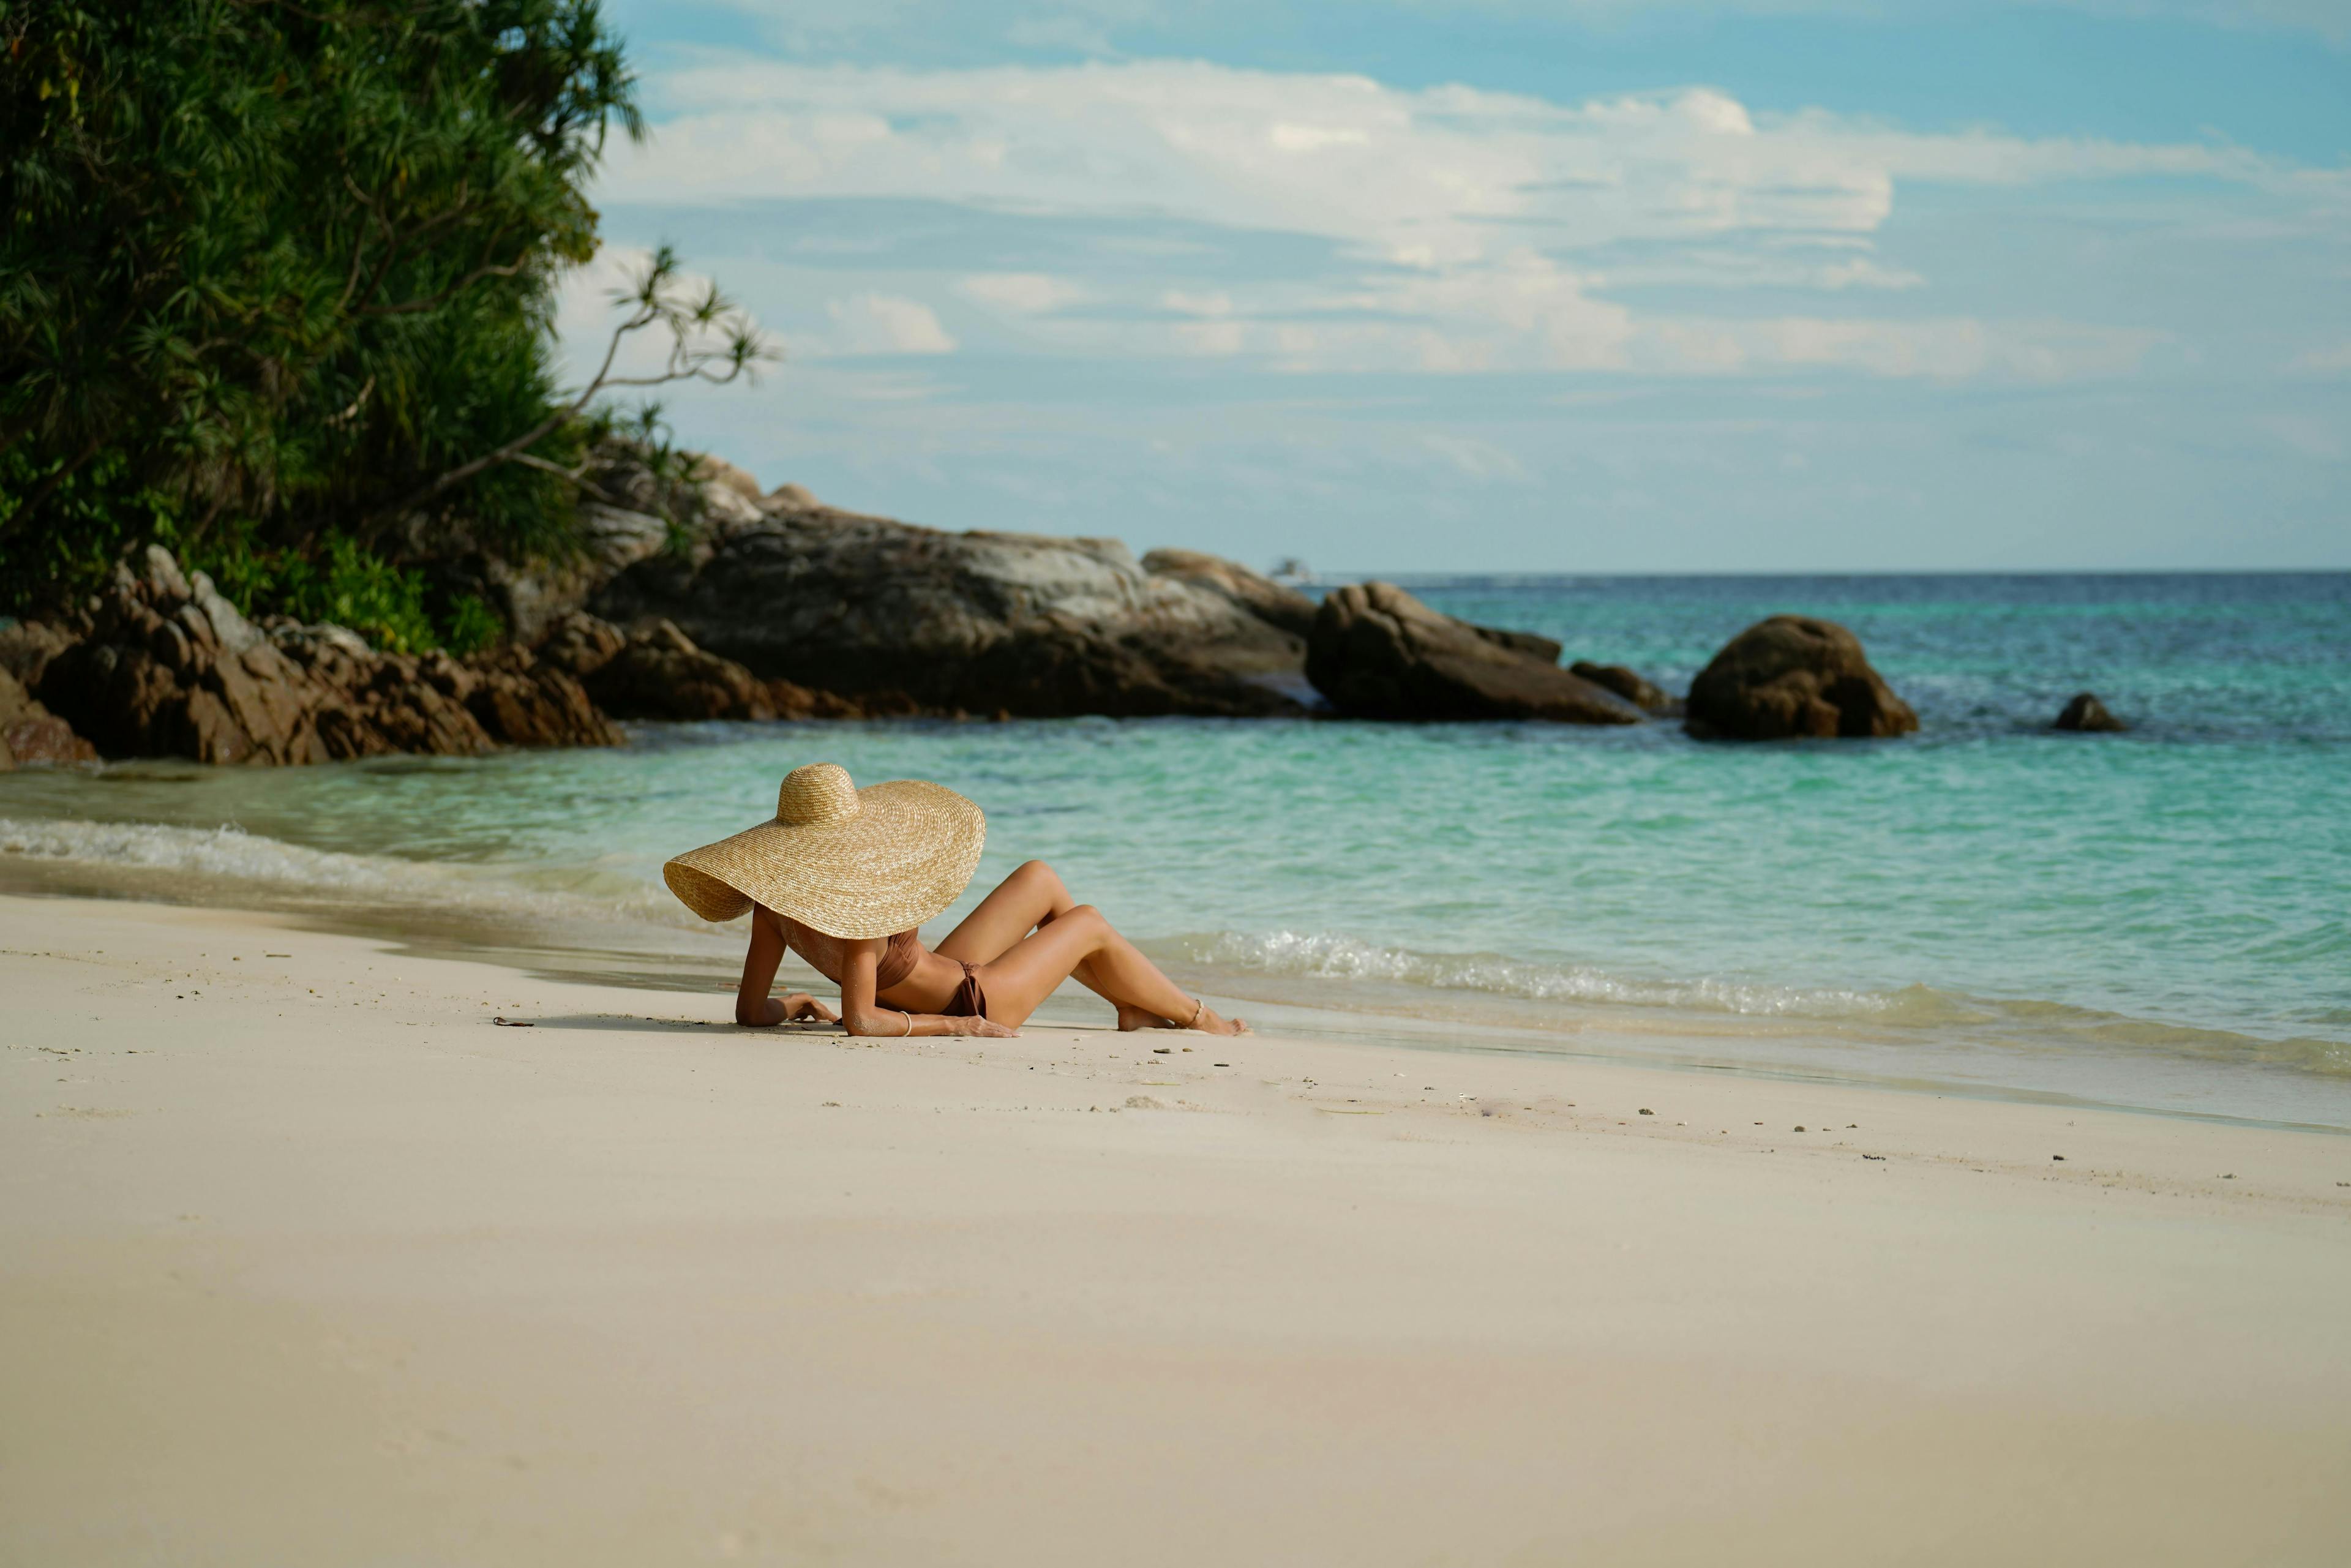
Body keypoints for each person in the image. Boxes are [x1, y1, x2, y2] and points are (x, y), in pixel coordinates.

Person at [664, 762, 1247, 1038]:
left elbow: (748, 1011)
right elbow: (863, 1022)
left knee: (1039, 877)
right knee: (1089, 922)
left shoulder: (772, 910)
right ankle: (1201, 1017)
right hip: (974, 1001)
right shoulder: (856, 907)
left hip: (948, 975)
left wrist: (792, 1003)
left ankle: (1131, 1004)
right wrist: (958, 1031)